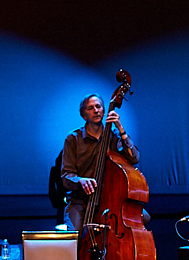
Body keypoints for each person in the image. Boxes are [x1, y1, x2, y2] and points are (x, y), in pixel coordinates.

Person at [60, 93, 140, 233]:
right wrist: (81, 181)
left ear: (104, 111)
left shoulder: (114, 135)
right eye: (90, 108)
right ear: (84, 115)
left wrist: (121, 129)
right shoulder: (73, 139)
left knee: (142, 217)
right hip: (81, 200)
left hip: (110, 199)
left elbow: (134, 159)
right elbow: (66, 176)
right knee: (75, 233)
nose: (96, 110)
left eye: (98, 107)